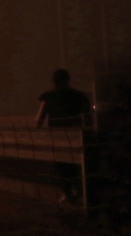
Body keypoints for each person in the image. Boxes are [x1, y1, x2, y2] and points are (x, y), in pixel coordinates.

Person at [35, 68, 93, 203]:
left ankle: (68, 193)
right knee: (77, 165)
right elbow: (88, 119)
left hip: (57, 137)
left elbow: (39, 121)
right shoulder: (80, 96)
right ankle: (79, 190)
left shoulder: (48, 97)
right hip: (76, 136)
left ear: (54, 81)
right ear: (68, 80)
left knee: (61, 166)